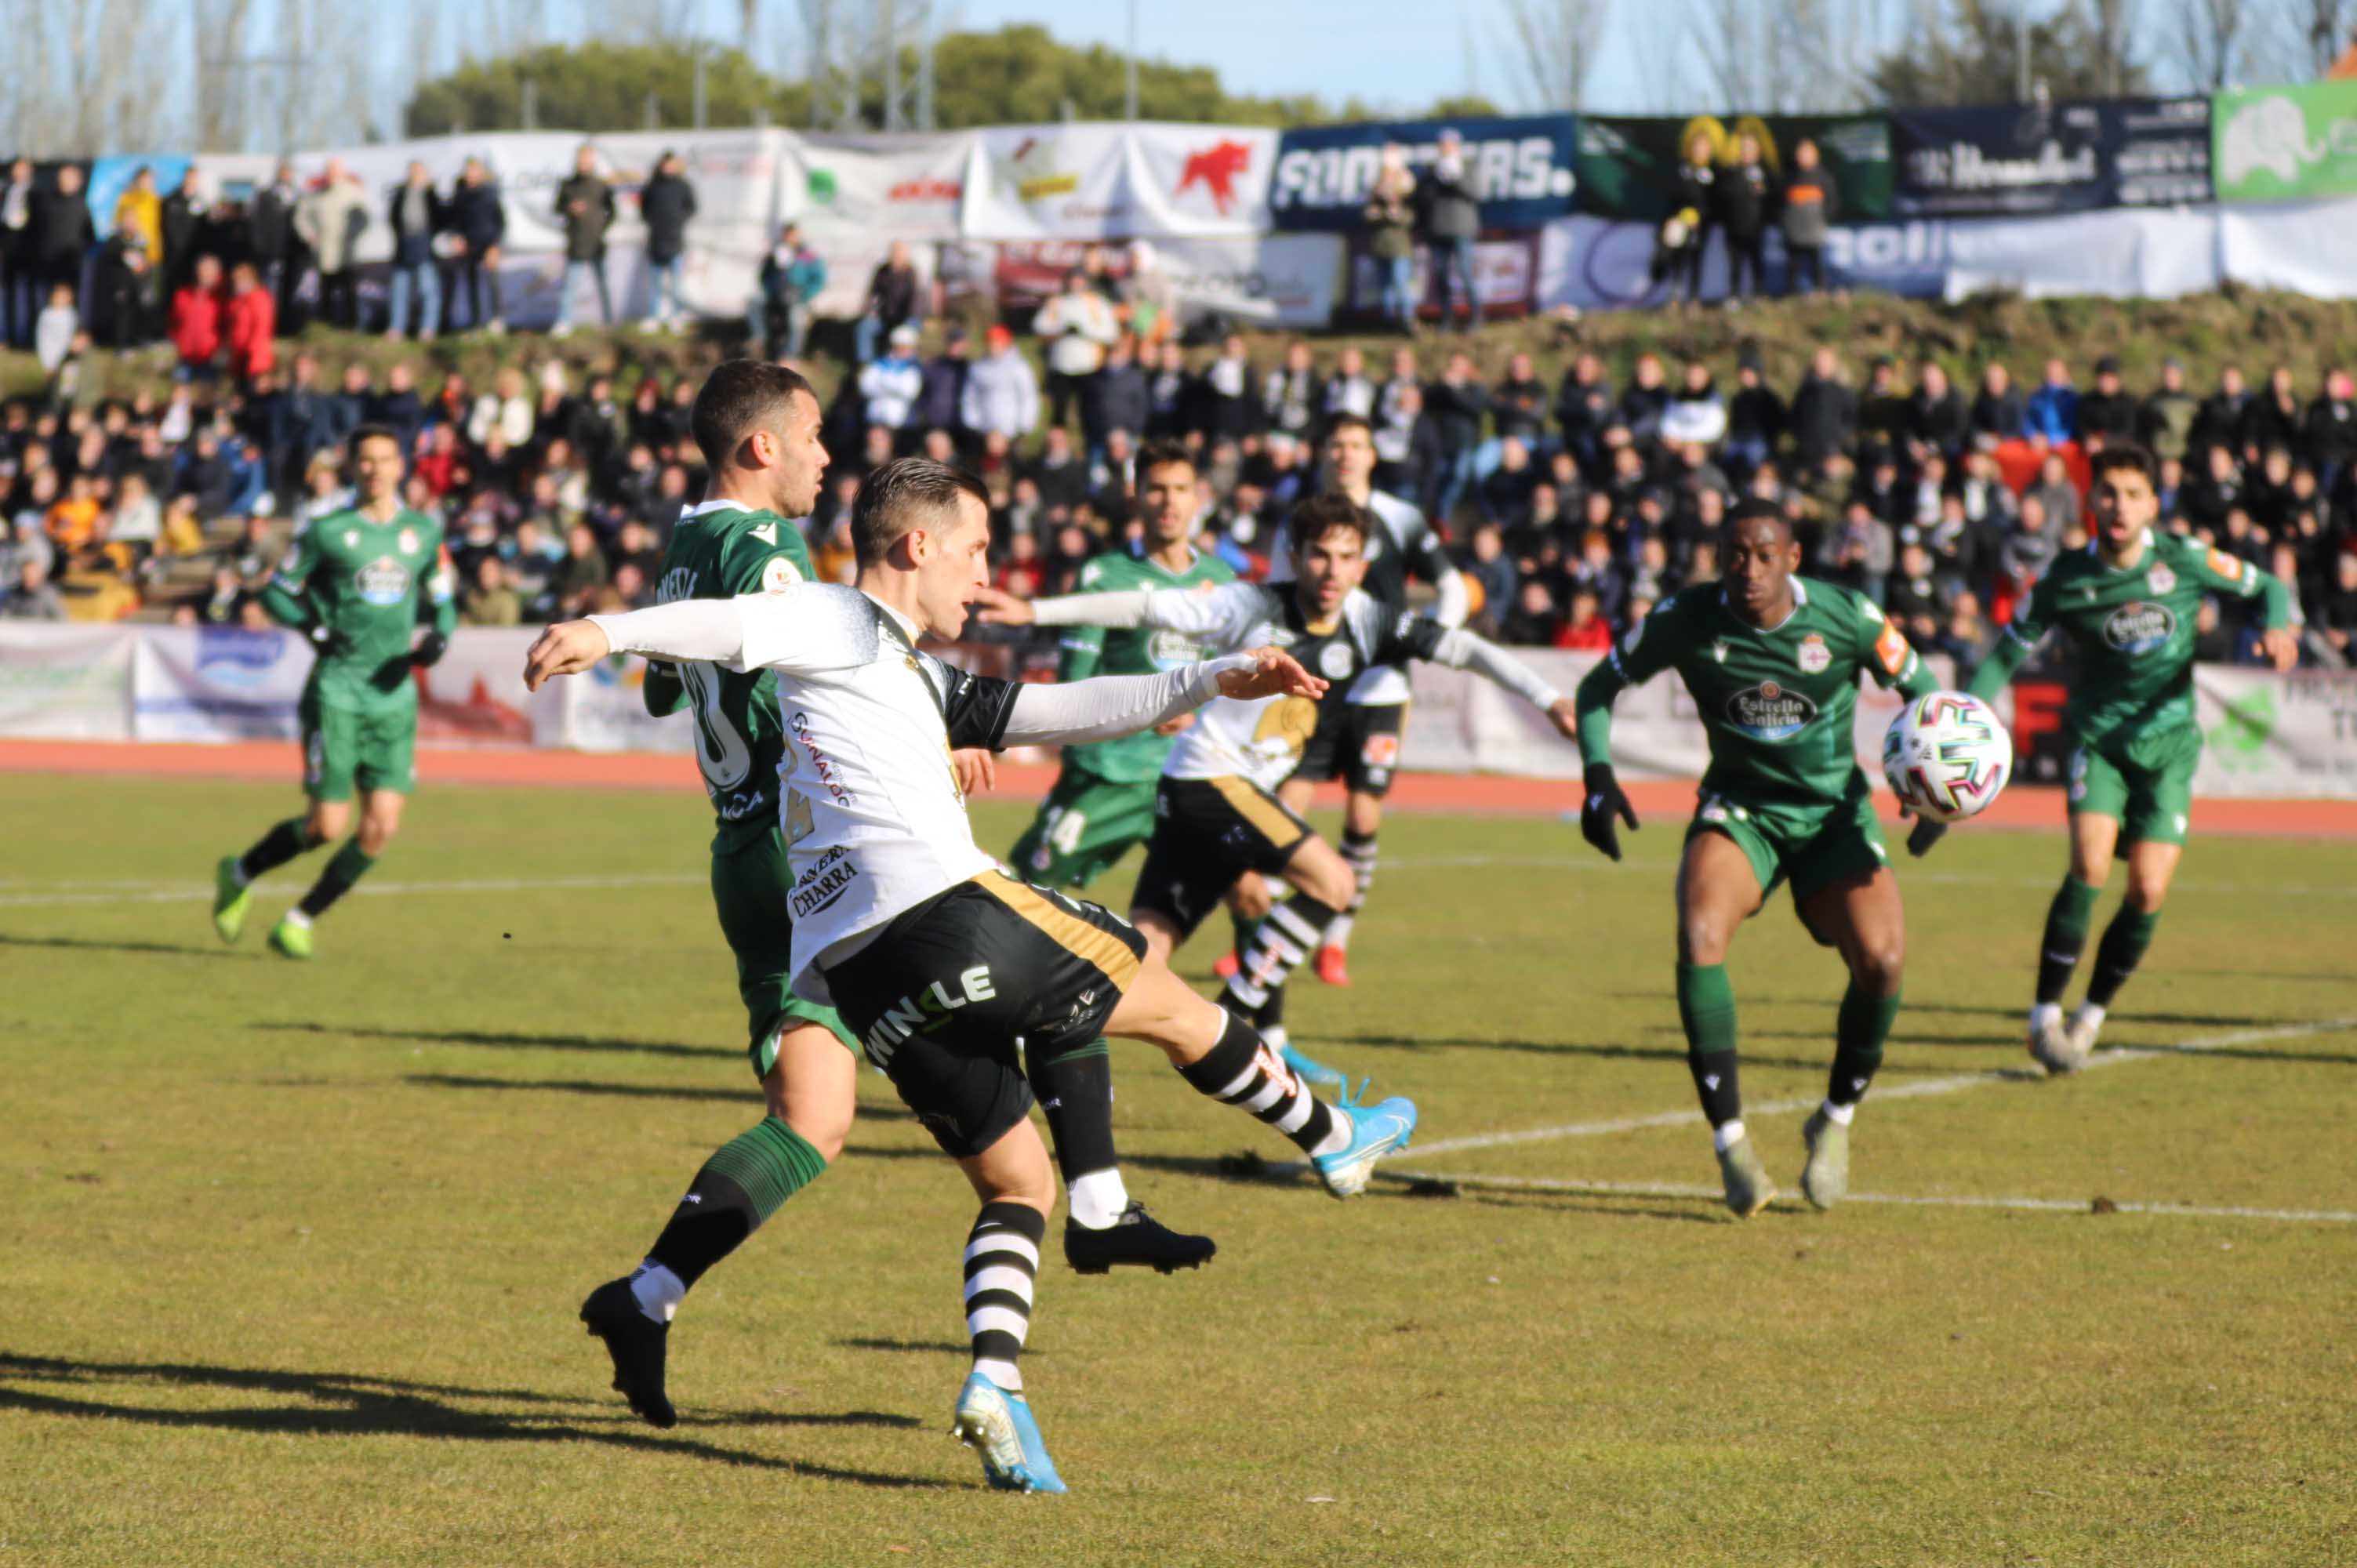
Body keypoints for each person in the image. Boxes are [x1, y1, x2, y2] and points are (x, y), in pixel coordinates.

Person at [525, 457, 1415, 1493]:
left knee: (1015, 1181)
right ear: (916, 546)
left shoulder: (907, 666)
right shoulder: (841, 619)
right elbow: (730, 625)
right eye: (976, 548)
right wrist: (603, 632)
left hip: (862, 972)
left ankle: (997, 1387)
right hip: (948, 912)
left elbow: (1048, 708)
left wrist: (1207, 680)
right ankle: (1331, 1139)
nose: (985, 572)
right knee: (1166, 1001)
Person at [982, 490, 1571, 1080]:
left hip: (1192, 787)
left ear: (1363, 564)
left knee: (1147, 956)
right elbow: (1145, 608)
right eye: (1319, 555)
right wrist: (1034, 612)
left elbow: (1465, 649)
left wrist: (1547, 699)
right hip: (1211, 780)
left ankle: (1028, 1023)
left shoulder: (1370, 619)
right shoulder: (1252, 604)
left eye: (1346, 557)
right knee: (1334, 882)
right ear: (1295, 555)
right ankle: (1238, 1017)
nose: (1332, 570)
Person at [1575, 498, 1942, 1218]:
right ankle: (1731, 1143)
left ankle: (1835, 1120)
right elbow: (1597, 690)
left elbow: (1925, 695)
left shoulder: (1849, 617)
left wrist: (1933, 796)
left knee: (1886, 962)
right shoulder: (1685, 618)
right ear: (1720, 556)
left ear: (1793, 559)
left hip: (1835, 817)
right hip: (1741, 813)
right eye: (1735, 554)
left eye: (1765, 555)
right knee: (1699, 935)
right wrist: (1597, 777)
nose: (1749, 569)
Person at [1964, 445, 2299, 1073]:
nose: (2119, 506)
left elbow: (2269, 588)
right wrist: (1958, 724)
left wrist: (2279, 627)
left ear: (2153, 504)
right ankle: (2043, 1016)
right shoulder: (2064, 579)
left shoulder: (2186, 558)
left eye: (2132, 494)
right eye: (2108, 492)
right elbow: (2004, 658)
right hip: (2101, 743)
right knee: (2089, 867)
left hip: (2170, 748)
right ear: (2092, 501)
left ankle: (2090, 1016)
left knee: (2146, 889)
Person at [209, 425, 456, 960]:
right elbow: (278, 592)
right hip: (338, 692)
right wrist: (316, 631)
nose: (375, 470)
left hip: (394, 698)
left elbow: (444, 598)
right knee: (326, 826)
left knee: (381, 827)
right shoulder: (327, 531)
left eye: (384, 460)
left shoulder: (424, 533)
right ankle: (239, 873)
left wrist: (440, 635)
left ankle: (300, 919)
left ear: (400, 466)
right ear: (352, 468)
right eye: (365, 461)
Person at [1258, 412, 1469, 1000]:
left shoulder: (1400, 517)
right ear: (1323, 452)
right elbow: (1275, 598)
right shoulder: (1301, 520)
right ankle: (1262, 934)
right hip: (1316, 685)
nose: (1346, 454)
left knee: (1362, 818)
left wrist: (1429, 641)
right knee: (1285, 808)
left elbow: (1452, 586)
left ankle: (1335, 940)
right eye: (1336, 444)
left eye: (1357, 445)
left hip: (1380, 690)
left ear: (1373, 455)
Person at [1008, 440, 1237, 891]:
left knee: (1245, 890)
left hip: (1187, 773)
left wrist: (1200, 715)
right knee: (1035, 879)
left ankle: (1255, 961)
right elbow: (1073, 679)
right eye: (1156, 489)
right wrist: (1080, 760)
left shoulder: (1224, 582)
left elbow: (1235, 679)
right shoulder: (1104, 576)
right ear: (1135, 494)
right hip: (1113, 770)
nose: (1169, 500)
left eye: (1180, 488)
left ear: (1199, 498)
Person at [1033, 267, 1117, 434]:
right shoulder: (1058, 302)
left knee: (1090, 413)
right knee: (1058, 414)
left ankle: (1091, 452)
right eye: (1073, 280)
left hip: (1089, 367)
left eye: (1079, 280)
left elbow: (1110, 332)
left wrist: (1084, 330)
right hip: (1061, 366)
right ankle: (1058, 451)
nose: (1076, 284)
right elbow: (1039, 325)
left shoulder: (1097, 303)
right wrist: (1061, 329)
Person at [552, 145, 616, 336]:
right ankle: (564, 322)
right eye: (581, 160)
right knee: (570, 285)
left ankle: (609, 321)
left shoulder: (600, 185)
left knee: (603, 284)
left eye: (587, 160)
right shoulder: (568, 185)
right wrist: (569, 208)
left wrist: (601, 227)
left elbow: (612, 211)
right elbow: (557, 208)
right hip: (576, 241)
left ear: (593, 161)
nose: (584, 163)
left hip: (596, 242)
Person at [1422, 129, 1481, 330]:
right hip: (1438, 229)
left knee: (1466, 274)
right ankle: (1447, 317)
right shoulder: (1431, 170)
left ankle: (1475, 316)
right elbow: (1424, 199)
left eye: (1450, 144)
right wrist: (1437, 182)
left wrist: (1456, 180)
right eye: (1442, 144)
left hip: (1462, 228)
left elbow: (1475, 193)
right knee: (1440, 275)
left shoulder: (1468, 167)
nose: (1446, 148)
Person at [444, 158, 507, 334]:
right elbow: (454, 221)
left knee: (492, 282)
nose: (470, 174)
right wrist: (456, 237)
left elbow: (500, 221)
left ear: (481, 172)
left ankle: (496, 319)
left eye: (473, 170)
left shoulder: (490, 193)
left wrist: (495, 245)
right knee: (472, 285)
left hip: (488, 244)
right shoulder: (460, 195)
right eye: (468, 170)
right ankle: (476, 323)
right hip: (468, 246)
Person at [384, 161, 444, 342]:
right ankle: (397, 328)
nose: (416, 176)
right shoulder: (401, 194)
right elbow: (394, 219)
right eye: (414, 172)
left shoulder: (431, 195)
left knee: (428, 290)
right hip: (404, 248)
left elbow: (439, 218)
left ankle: (428, 328)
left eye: (420, 172)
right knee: (399, 291)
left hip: (424, 248)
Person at [640, 150, 698, 330]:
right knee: (656, 283)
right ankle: (653, 317)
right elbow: (644, 209)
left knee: (676, 284)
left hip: (676, 240)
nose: (668, 167)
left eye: (672, 164)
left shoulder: (683, 185)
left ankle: (677, 316)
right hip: (656, 240)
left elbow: (692, 208)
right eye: (666, 164)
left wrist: (678, 219)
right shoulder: (652, 186)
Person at [1364, 144, 1418, 330]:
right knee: (1385, 286)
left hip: (1399, 247)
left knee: (1401, 282)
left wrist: (1396, 213)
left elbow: (1409, 218)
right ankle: (1389, 320)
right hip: (1381, 246)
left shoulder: (1406, 192)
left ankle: (1407, 319)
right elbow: (1367, 216)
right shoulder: (1374, 194)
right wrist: (1376, 214)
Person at [750, 223, 823, 359]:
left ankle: (790, 356)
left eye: (793, 235)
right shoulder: (774, 254)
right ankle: (760, 343)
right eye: (787, 235)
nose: (790, 238)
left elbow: (819, 279)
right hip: (776, 296)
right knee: (754, 306)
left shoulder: (807, 256)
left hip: (798, 296)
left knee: (795, 318)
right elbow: (764, 275)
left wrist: (805, 294)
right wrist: (771, 290)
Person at [1780, 138, 1838, 296]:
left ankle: (1821, 293)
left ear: (1816, 155)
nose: (1803, 156)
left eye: (1807, 152)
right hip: (1793, 232)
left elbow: (1832, 202)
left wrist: (1822, 220)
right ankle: (1792, 295)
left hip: (1815, 231)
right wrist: (1785, 222)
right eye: (1801, 152)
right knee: (1793, 267)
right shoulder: (1790, 177)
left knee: (1817, 266)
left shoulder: (1823, 177)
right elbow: (1780, 202)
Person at [1719, 133, 1772, 303]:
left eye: (1750, 148)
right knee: (1735, 263)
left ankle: (1758, 293)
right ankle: (1734, 294)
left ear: (1757, 151)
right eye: (1744, 147)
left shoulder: (1765, 172)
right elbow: (1723, 196)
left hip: (1756, 227)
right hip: (1734, 226)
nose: (1746, 151)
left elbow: (1772, 198)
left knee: (1756, 261)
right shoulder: (1731, 172)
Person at [853, 241, 921, 365]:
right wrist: (870, 312)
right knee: (865, 327)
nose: (896, 257)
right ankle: (866, 363)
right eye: (894, 253)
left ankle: (910, 364)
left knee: (907, 332)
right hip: (884, 316)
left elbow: (914, 300)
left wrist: (904, 320)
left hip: (906, 317)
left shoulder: (911, 273)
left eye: (899, 254)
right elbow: (873, 295)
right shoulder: (882, 271)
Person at [222, 260, 276, 387]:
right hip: (238, 355)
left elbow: (262, 326)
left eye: (240, 279)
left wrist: (251, 351)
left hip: (253, 357)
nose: (237, 283)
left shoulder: (259, 297)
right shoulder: (238, 301)